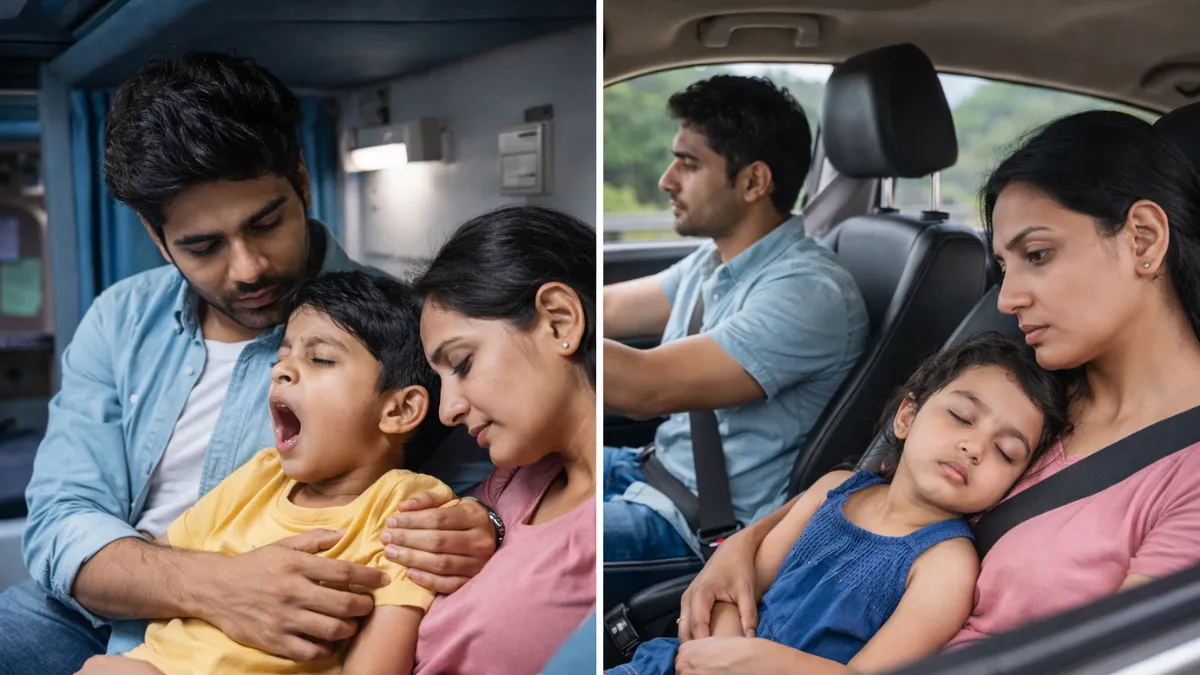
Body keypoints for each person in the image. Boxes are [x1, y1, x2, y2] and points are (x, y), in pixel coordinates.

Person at [0, 52, 495, 673]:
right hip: (94, 611)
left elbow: (491, 487)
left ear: (302, 180)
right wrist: (215, 586)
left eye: (265, 223)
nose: (249, 269)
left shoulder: (406, 329)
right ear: (156, 237)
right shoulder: (120, 318)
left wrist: (488, 529)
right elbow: (60, 517)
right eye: (202, 246)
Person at [674, 110, 1200, 669]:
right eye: (1003, 265)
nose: (1006, 299)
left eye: (1038, 255)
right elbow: (871, 492)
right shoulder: (1028, 389)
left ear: (1143, 236)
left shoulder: (1185, 478)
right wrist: (741, 553)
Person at [609, 334, 1069, 675]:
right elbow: (744, 586)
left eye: (1005, 452)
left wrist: (755, 662)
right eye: (960, 417)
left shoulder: (945, 565)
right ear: (907, 417)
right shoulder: (837, 487)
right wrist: (723, 648)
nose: (974, 447)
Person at [78, 271, 455, 675]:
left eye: (321, 359)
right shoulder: (260, 475)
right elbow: (160, 558)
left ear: (399, 410)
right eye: (282, 358)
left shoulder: (404, 511)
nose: (280, 371)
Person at [602, 75, 869, 568]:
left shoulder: (806, 292)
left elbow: (643, 388)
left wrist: (522, 340)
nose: (666, 180)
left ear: (753, 181)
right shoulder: (717, 260)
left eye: (688, 163)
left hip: (694, 525)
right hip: (649, 470)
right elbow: (610, 310)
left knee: (513, 544)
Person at [413, 205, 596, 675]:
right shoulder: (511, 480)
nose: (447, 409)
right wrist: (488, 522)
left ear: (559, 322)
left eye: (463, 363)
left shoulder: (601, 534)